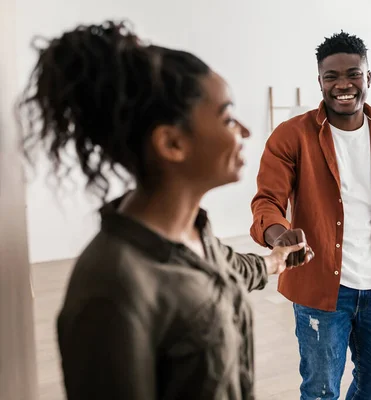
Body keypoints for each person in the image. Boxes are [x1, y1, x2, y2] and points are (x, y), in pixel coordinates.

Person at [19, 20, 313, 400]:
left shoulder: (194, 233)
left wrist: (277, 260)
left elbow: (227, 271)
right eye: (226, 116)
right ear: (172, 143)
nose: (244, 131)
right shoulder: (112, 287)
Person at [250, 31, 371, 399]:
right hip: (321, 289)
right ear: (320, 82)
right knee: (321, 389)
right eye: (332, 77)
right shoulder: (291, 136)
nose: (344, 85)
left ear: (368, 78)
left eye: (353, 74)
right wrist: (279, 235)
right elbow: (267, 201)